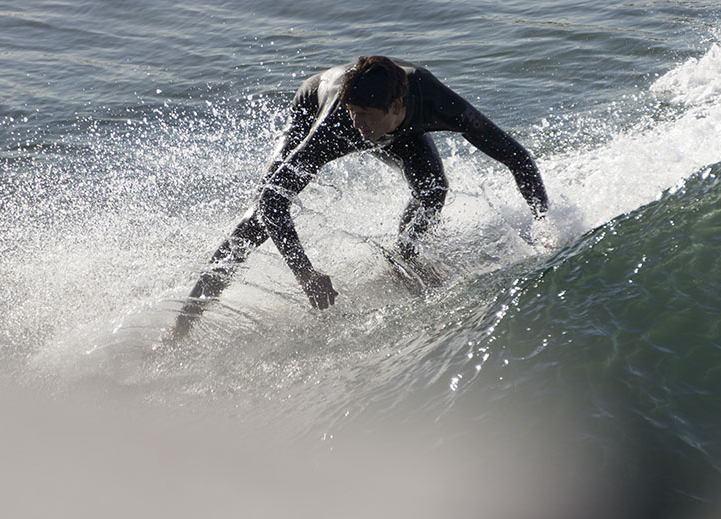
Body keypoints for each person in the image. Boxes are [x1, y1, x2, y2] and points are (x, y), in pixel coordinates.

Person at [173, 55, 548, 337]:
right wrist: (305, 273)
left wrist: (545, 226)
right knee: (256, 220)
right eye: (354, 114)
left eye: (365, 115)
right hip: (312, 107)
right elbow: (275, 202)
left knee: (433, 187)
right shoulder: (338, 127)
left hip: (402, 126)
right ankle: (178, 331)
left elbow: (518, 157)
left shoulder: (438, 103)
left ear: (397, 107)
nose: (358, 125)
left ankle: (407, 257)